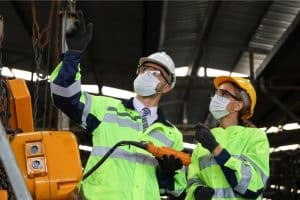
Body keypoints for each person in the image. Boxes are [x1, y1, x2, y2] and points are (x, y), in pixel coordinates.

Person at [50, 11, 186, 200]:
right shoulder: (106, 108)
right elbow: (63, 95)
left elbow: (175, 191)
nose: (147, 74)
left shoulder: (173, 136)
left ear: (167, 87)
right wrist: (72, 55)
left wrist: (167, 172)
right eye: (145, 69)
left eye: (156, 73)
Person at [185, 76, 269, 200]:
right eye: (216, 93)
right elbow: (192, 182)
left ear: (238, 105)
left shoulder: (255, 137)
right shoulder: (204, 141)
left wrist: (216, 149)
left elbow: (254, 185)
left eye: (224, 94)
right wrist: (197, 191)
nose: (216, 98)